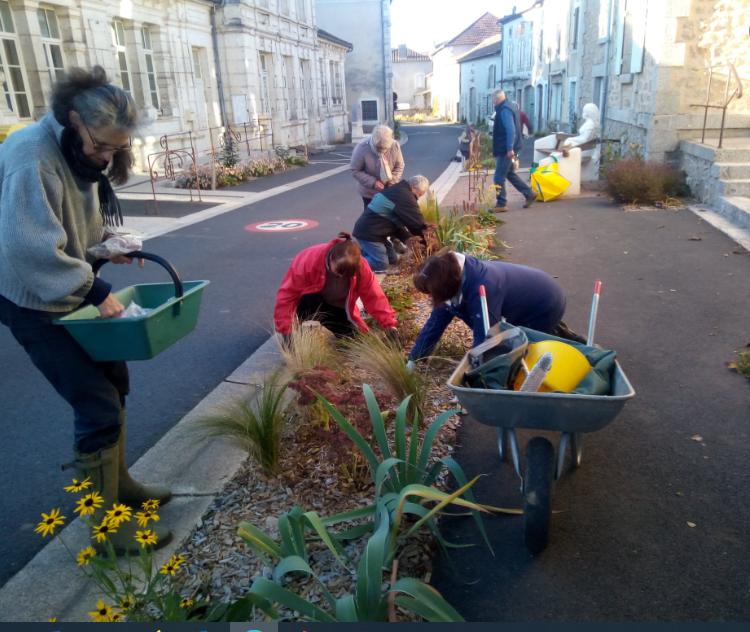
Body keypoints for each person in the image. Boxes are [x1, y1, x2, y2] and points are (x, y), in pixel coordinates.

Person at [0, 66, 171, 553]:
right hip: (30, 299)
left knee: (114, 382)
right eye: (101, 146)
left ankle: (121, 489)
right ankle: (104, 527)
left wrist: (105, 248)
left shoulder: (80, 156)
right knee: (94, 401)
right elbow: (32, 250)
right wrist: (95, 288)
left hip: (66, 284)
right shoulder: (30, 157)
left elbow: (77, 228)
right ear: (72, 120)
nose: (106, 156)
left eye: (116, 149)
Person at [407, 250, 584, 362]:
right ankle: (554, 332)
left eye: (431, 292)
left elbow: (486, 337)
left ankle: (573, 347)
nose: (430, 297)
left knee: (522, 350)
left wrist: (473, 372)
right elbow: (435, 323)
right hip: (529, 296)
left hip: (546, 303)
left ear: (444, 288)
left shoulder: (483, 288)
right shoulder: (451, 274)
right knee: (506, 337)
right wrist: (414, 359)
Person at [274, 232, 398, 339]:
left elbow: (374, 296)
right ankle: (304, 334)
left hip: (335, 307)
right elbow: (287, 296)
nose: (341, 277)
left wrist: (389, 325)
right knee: (309, 303)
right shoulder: (308, 261)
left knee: (354, 340)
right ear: (331, 259)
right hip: (307, 303)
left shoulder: (361, 267)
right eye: (339, 272)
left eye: (347, 274)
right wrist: (286, 331)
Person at [353, 175, 430, 272]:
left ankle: (361, 252)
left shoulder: (398, 190)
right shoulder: (404, 195)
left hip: (376, 232)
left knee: (393, 259)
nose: (417, 199)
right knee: (380, 264)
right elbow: (417, 223)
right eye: (419, 194)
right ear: (414, 187)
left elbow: (395, 224)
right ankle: (349, 261)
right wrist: (427, 244)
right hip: (369, 234)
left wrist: (408, 239)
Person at [350, 125, 406, 256]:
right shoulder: (362, 148)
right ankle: (374, 246)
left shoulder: (395, 146)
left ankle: (395, 239)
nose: (381, 151)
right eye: (378, 149)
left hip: (390, 189)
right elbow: (355, 170)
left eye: (384, 149)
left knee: (394, 215)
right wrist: (373, 182)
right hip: (370, 192)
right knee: (373, 220)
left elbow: (400, 165)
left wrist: (393, 181)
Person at [492, 90, 537, 212]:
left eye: (493, 100)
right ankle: (529, 194)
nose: (492, 102)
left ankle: (501, 203)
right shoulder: (509, 106)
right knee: (509, 173)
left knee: (498, 177)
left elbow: (511, 130)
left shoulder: (504, 110)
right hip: (513, 146)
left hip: (506, 149)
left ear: (496, 100)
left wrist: (509, 148)